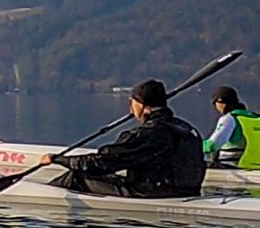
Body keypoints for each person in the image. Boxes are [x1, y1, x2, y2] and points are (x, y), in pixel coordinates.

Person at [40, 79, 206, 198]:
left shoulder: (147, 133)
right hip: (188, 191)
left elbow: (101, 164)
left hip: (153, 193)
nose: (130, 109)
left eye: (132, 103)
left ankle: (42, 197)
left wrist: (58, 160)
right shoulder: (187, 128)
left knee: (76, 177)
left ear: (141, 105)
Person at [202, 85, 260, 169]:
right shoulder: (257, 119)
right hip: (255, 172)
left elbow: (213, 145)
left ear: (220, 103)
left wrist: (194, 145)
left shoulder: (229, 119)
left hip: (231, 170)